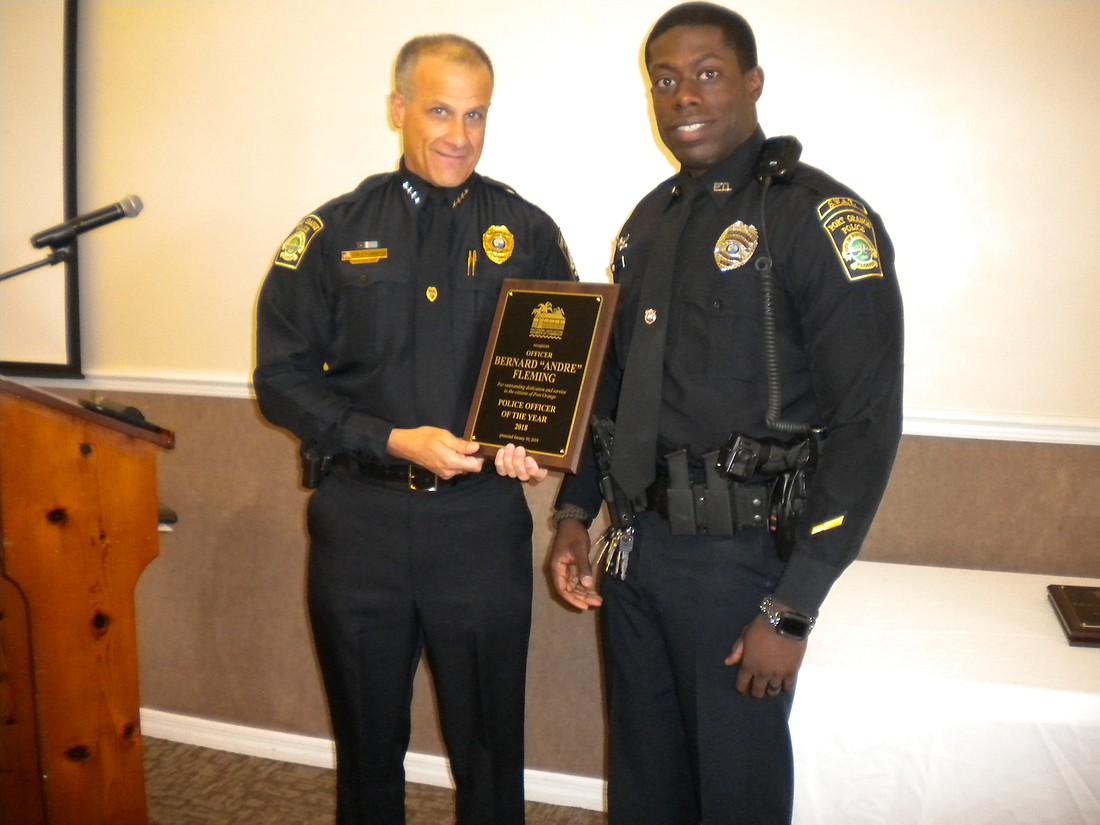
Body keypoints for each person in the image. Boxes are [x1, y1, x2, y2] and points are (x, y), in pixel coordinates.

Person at [549, 4, 904, 823]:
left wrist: (793, 605)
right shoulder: (650, 221)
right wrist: (577, 509)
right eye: (664, 80)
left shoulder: (814, 217)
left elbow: (865, 422)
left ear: (752, 83)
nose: (683, 96)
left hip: (740, 564)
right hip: (635, 549)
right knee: (646, 782)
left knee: (736, 793)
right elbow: (619, 387)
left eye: (706, 73)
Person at [253, 34, 576, 825]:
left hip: (477, 526)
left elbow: (559, 374)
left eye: (475, 115)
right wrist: (390, 439)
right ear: (399, 110)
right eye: (439, 110)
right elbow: (280, 380)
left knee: (491, 746)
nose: (458, 135)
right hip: (360, 524)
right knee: (367, 745)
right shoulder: (330, 232)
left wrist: (529, 442)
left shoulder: (527, 232)